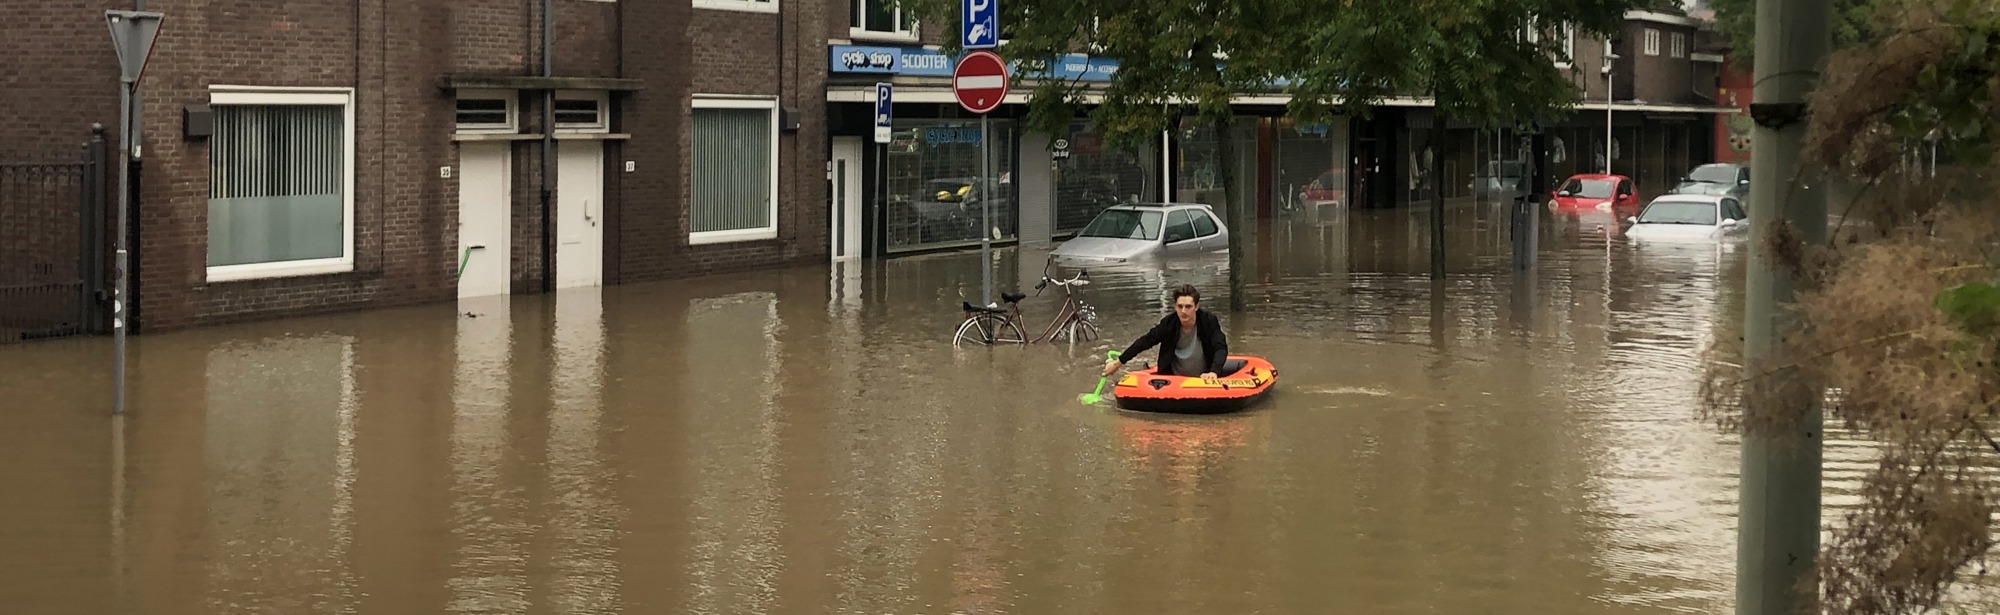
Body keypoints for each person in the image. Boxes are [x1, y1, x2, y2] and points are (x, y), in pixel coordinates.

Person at [1102, 284, 1228, 380]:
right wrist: (1118, 363)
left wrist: (1214, 372)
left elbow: (1220, 347)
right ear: (1175, 306)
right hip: (1173, 380)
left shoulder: (1208, 321)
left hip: (1204, 377)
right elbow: (1146, 341)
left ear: (1196, 307)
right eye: (1180, 306)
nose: (1183, 311)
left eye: (1188, 307)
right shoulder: (1168, 324)